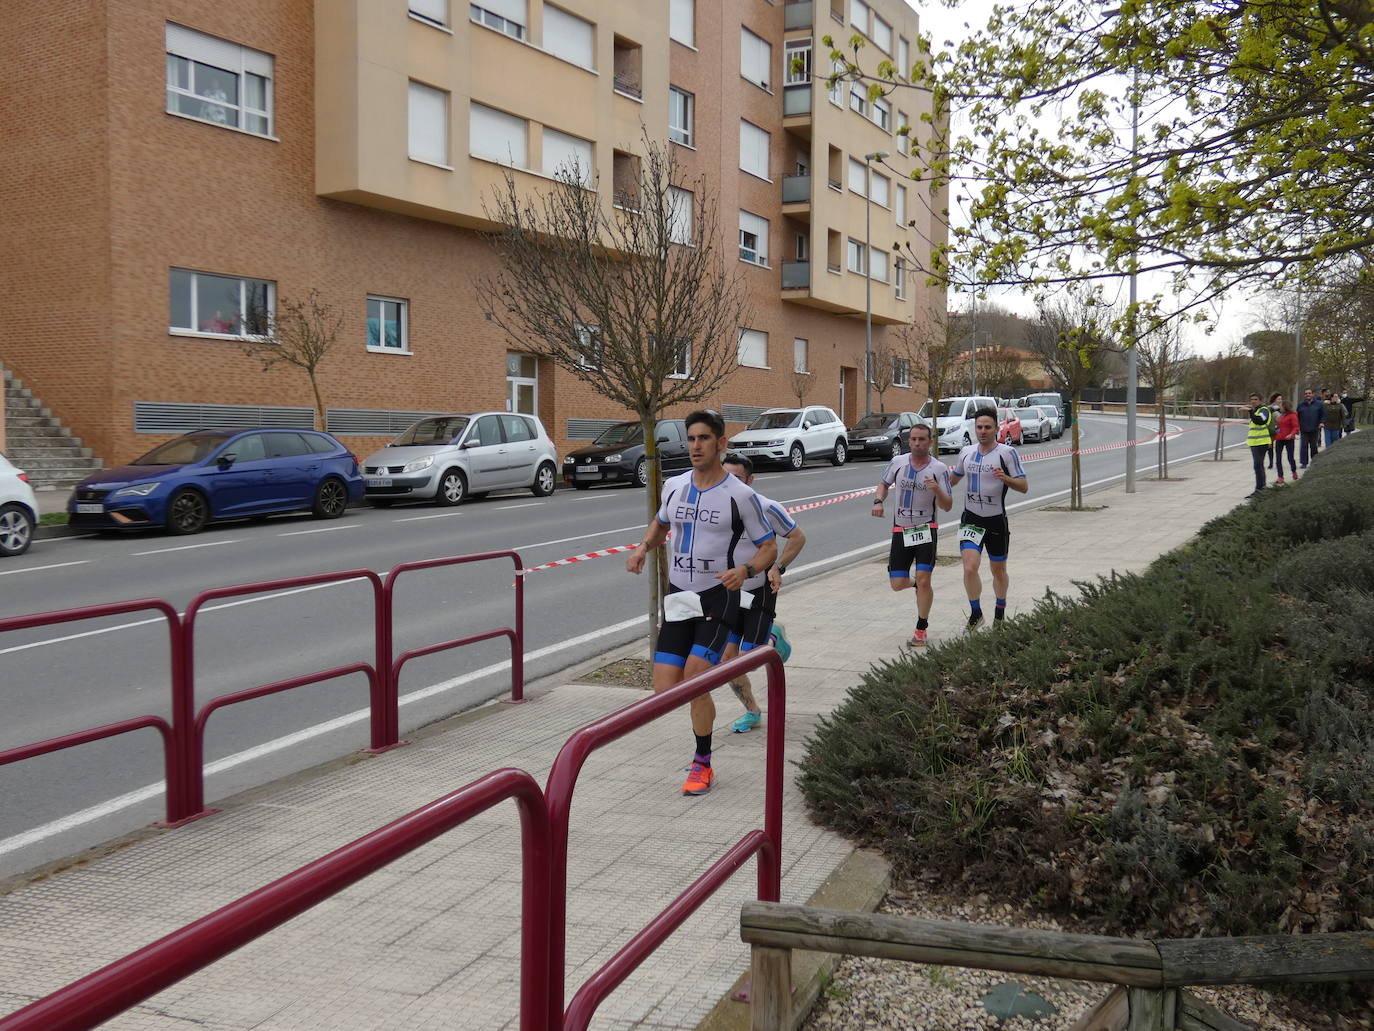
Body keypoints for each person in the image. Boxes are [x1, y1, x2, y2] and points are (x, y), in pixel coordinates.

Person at [626, 409, 778, 796]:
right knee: (665, 691)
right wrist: (644, 547)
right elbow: (661, 522)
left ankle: (703, 764)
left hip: (718, 596)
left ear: (720, 443)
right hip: (679, 595)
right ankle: (704, 728)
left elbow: (769, 547)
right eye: (691, 439)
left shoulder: (741, 496)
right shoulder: (675, 486)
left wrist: (745, 571)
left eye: (704, 438)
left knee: (694, 680)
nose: (695, 446)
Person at [718, 452, 807, 733]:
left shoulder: (767, 507)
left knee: (750, 657)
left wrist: (778, 567)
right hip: (729, 592)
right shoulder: (714, 510)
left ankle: (773, 637)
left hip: (759, 588)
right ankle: (752, 711)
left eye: (737, 479)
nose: (729, 485)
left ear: (751, 480)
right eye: (725, 477)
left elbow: (797, 536)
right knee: (727, 660)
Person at [871, 422, 954, 646]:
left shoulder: (938, 469)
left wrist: (936, 489)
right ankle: (915, 584)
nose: (917, 444)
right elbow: (883, 484)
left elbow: (947, 506)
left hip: (926, 529)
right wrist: (878, 501)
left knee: (925, 578)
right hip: (901, 529)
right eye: (914, 440)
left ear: (930, 441)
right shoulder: (898, 462)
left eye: (922, 440)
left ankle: (921, 629)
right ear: (909, 441)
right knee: (897, 583)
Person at [949, 408, 1028, 631]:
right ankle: (976, 614)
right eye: (979, 427)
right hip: (971, 519)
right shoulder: (966, 452)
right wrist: (933, 484)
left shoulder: (1006, 453)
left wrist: (1006, 478)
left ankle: (1000, 616)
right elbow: (953, 479)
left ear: (996, 429)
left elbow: (1024, 486)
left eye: (987, 427)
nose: (982, 431)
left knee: (998, 571)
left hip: (995, 520)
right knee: (969, 567)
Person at [1245, 393, 1273, 497]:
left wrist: (1250, 412)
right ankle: (1260, 489)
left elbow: (1260, 421)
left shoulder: (1263, 410)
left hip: (1261, 442)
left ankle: (1260, 489)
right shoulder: (1256, 410)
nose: (1253, 401)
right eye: (1251, 399)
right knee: (1258, 466)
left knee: (1258, 465)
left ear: (1260, 401)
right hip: (1254, 443)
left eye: (1255, 399)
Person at [1296, 388, 1324, 469]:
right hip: (1304, 429)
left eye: (1309, 393)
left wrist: (1322, 422)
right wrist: (1297, 427)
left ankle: (1314, 461)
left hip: (1314, 429)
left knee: (1313, 446)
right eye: (1306, 393)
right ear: (1304, 395)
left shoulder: (1319, 404)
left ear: (1312, 394)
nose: (1308, 395)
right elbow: (1297, 417)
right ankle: (1304, 463)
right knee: (1303, 446)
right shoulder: (1300, 405)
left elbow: (1323, 415)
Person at [1274, 397, 1299, 483]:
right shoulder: (1281, 415)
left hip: (1289, 439)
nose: (1280, 407)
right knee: (1278, 458)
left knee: (1290, 457)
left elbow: (1296, 427)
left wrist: (1291, 434)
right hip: (1279, 438)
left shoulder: (1292, 415)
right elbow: (1278, 426)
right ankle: (1280, 476)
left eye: (1281, 406)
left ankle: (1294, 472)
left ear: (1285, 407)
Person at [1265, 392, 1283, 468]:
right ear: (1274, 399)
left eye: (1281, 399)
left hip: (1279, 429)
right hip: (1271, 430)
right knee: (1270, 447)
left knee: (1278, 448)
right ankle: (1271, 463)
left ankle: (1277, 462)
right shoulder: (1269, 408)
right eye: (1279, 399)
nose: (1280, 400)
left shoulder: (1282, 407)